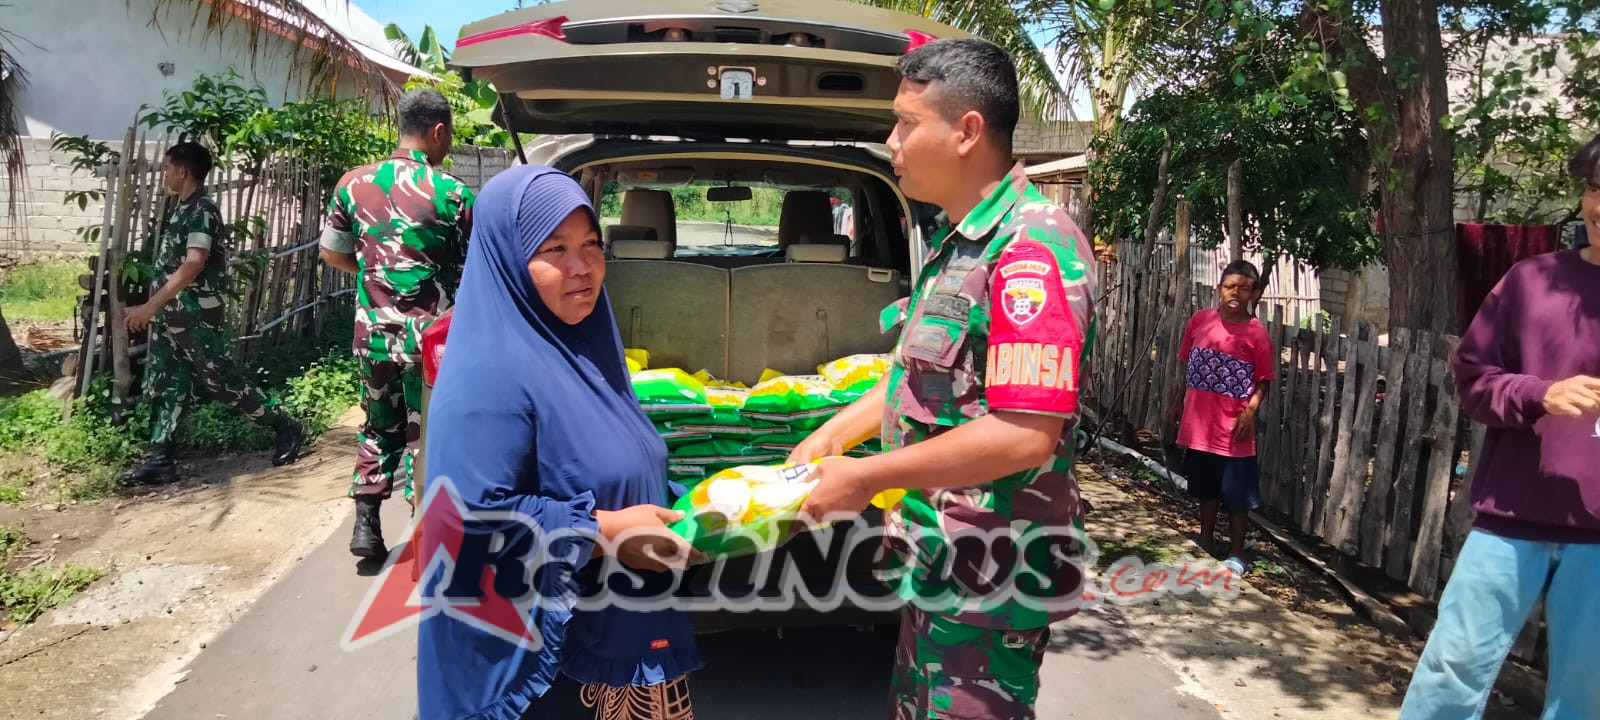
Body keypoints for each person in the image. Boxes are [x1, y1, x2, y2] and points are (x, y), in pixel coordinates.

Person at [788, 38, 1096, 720]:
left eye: (905, 123)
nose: (891, 141)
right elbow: (919, 379)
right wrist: (837, 433)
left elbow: (1024, 435)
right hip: (940, 560)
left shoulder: (1028, 250)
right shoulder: (959, 243)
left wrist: (868, 478)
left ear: (967, 131)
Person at [417, 165, 702, 720]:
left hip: (605, 635)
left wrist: (696, 507)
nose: (582, 266)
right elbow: (468, 519)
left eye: (592, 243)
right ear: (507, 258)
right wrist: (606, 533)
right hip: (535, 666)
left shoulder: (584, 347)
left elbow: (602, 461)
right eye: (554, 249)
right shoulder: (490, 374)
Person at [1396, 134, 1600, 719]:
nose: (1598, 206)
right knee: (1452, 671)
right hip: (1509, 523)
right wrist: (1540, 394)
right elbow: (1473, 379)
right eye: (1592, 189)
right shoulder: (1531, 283)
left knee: (1584, 696)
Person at [320, 88, 475, 559]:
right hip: (431, 342)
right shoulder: (453, 192)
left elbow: (332, 253)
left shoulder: (352, 183)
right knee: (424, 432)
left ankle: (366, 524)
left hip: (372, 336)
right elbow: (476, 269)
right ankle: (424, 529)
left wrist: (373, 275)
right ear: (439, 131)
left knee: (377, 424)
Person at [121, 142, 306, 486]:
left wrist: (150, 306)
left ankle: (286, 425)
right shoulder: (182, 208)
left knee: (220, 380)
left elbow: (193, 264)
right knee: (166, 381)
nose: (164, 175)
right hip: (172, 316)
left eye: (167, 169)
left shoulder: (202, 210)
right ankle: (160, 458)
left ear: (182, 171)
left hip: (196, 316)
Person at [1165, 261, 1275, 576]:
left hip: (1234, 428)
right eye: (1230, 286)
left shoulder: (1257, 333)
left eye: (1244, 287)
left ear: (1254, 292)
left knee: (1237, 495)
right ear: (1219, 288)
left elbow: (1264, 380)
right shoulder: (1200, 321)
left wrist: (1250, 411)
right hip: (1200, 423)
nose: (1236, 293)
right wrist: (1177, 402)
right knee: (1206, 489)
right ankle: (1205, 540)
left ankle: (1237, 553)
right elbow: (1189, 368)